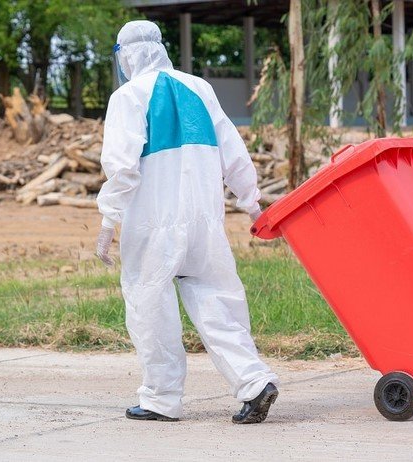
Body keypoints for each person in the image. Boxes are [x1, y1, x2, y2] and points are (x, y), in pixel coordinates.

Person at [95, 20, 279, 424]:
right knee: (217, 301)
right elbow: (233, 151)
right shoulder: (200, 88)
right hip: (204, 222)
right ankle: (254, 381)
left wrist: (108, 221)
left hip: (153, 224)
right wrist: (251, 204)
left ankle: (161, 399)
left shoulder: (127, 97)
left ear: (125, 54)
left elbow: (123, 168)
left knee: (150, 305)